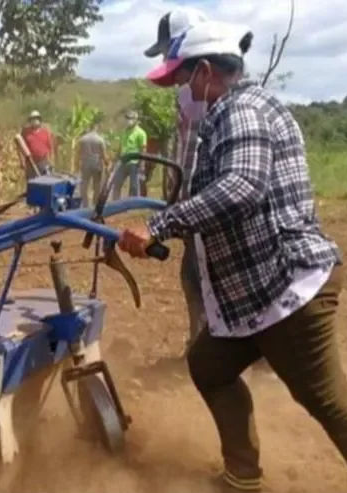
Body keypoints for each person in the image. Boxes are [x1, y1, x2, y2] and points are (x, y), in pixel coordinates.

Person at [117, 20, 347, 493]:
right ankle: (242, 478)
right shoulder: (229, 115)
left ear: (206, 72)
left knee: (328, 399)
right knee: (209, 365)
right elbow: (216, 193)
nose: (180, 93)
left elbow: (242, 187)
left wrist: (161, 227)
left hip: (286, 287)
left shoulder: (241, 110)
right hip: (255, 291)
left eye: (182, 80)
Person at [143, 6, 209, 355]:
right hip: (191, 195)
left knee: (207, 274)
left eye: (169, 49)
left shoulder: (223, 89)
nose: (168, 61)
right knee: (193, 276)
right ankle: (201, 343)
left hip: (213, 197)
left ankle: (226, 349)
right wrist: (175, 191)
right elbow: (186, 148)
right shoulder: (183, 95)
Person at [111, 110, 148, 200]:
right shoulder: (124, 132)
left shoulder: (141, 133)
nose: (128, 120)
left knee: (134, 186)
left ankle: (134, 205)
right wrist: (115, 160)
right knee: (117, 183)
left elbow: (143, 149)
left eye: (130, 118)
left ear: (135, 120)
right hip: (123, 161)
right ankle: (115, 203)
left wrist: (142, 164)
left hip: (134, 163)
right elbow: (120, 147)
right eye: (127, 118)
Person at [77, 120, 109, 208]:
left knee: (84, 185)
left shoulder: (83, 139)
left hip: (85, 164)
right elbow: (103, 154)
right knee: (97, 186)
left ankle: (85, 204)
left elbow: (78, 153)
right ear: (96, 128)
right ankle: (95, 204)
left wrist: (77, 164)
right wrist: (107, 165)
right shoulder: (100, 139)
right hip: (96, 165)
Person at [21, 110, 54, 178]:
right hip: (31, 163)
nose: (34, 121)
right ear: (30, 121)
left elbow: (51, 147)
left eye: (36, 119)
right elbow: (20, 148)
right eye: (32, 119)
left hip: (43, 162)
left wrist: (51, 160)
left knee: (45, 181)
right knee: (32, 184)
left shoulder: (45, 132)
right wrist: (22, 161)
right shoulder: (26, 133)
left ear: (39, 120)